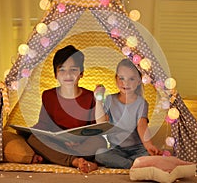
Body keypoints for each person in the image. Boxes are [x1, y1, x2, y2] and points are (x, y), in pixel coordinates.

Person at [27, 45, 107, 173]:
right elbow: (44, 125)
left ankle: (64, 158)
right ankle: (75, 161)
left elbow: (95, 129)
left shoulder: (90, 97)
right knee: (33, 138)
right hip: (58, 143)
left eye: (73, 69)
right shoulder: (48, 95)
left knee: (100, 142)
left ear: (81, 73)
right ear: (55, 74)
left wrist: (79, 141)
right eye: (62, 70)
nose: (68, 74)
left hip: (82, 144)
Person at [94, 58, 162, 169]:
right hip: (117, 150)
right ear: (116, 79)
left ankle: (131, 163)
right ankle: (132, 164)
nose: (125, 83)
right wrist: (98, 100)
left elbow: (142, 126)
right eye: (121, 78)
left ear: (139, 81)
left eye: (131, 79)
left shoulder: (141, 103)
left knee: (149, 155)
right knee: (100, 154)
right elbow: (101, 122)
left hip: (138, 149)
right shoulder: (110, 99)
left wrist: (148, 145)